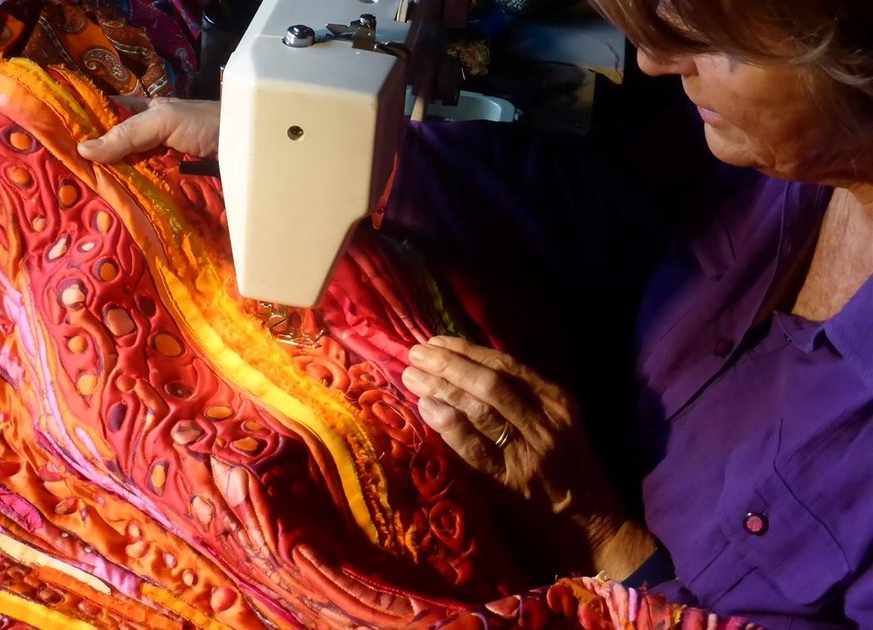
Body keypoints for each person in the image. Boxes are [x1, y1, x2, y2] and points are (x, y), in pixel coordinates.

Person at [78, 0, 873, 625]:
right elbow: (599, 206)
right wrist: (300, 146)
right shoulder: (781, 162)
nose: (657, 61)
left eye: (716, 42)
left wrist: (601, 536)